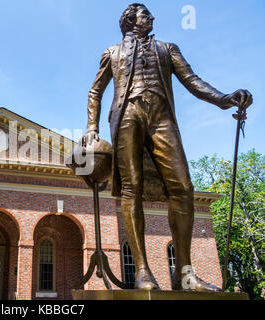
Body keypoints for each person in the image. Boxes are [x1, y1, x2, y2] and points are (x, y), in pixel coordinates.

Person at [83, 3, 252, 291]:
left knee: (183, 188)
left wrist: (224, 99)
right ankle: (143, 271)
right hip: (126, 117)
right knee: (130, 189)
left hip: (162, 118)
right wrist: (92, 128)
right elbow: (95, 91)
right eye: (145, 14)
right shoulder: (111, 53)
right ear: (130, 21)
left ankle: (184, 274)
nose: (151, 18)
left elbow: (192, 81)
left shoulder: (168, 48)